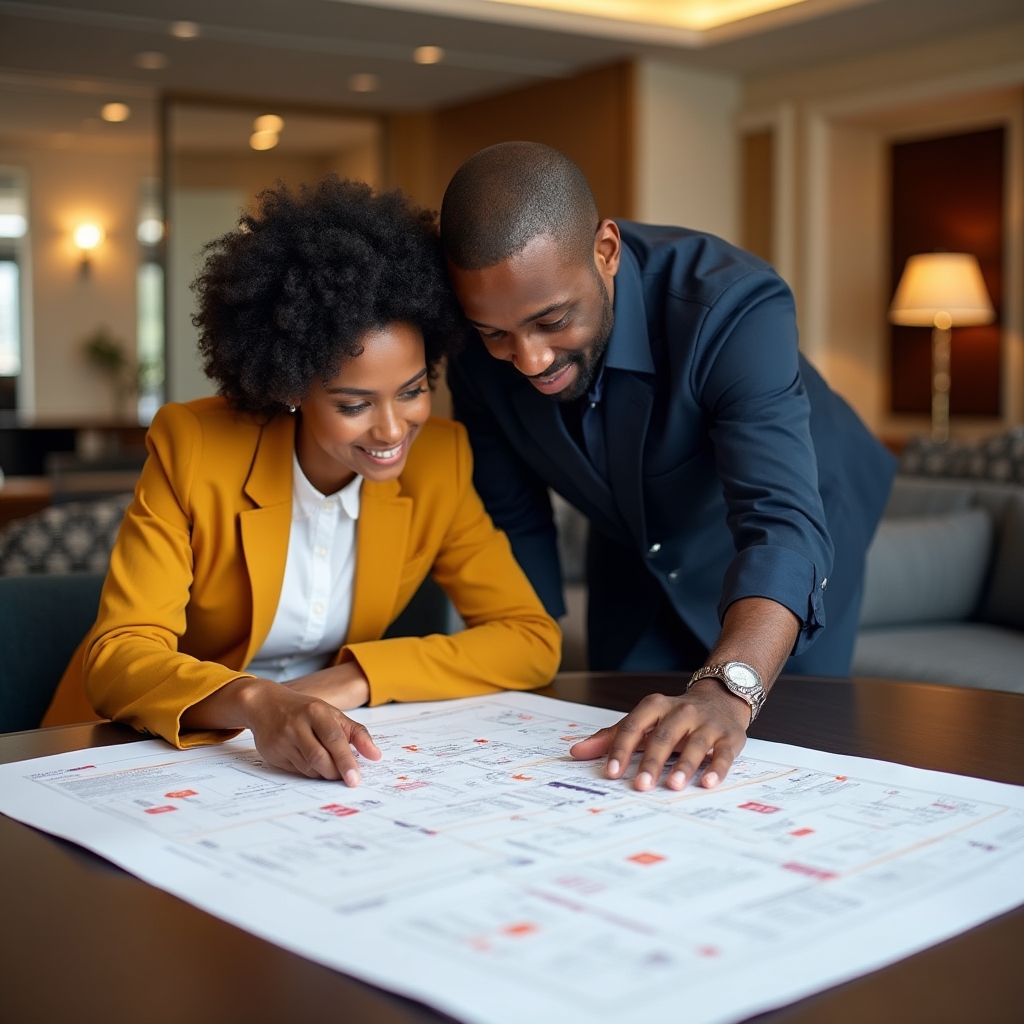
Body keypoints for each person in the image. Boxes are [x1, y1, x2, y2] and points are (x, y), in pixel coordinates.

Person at [48, 177, 561, 784]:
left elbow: (530, 638)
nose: (394, 429)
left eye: (414, 390)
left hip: (316, 748)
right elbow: (118, 656)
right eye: (354, 405)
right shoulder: (196, 448)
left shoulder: (439, 463)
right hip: (148, 748)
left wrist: (351, 680)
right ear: (291, 387)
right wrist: (259, 700)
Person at [441, 142, 895, 793]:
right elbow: (516, 521)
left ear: (606, 250)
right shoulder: (474, 350)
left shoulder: (733, 305)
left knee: (772, 752)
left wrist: (728, 689)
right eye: (496, 334)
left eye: (552, 320)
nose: (529, 359)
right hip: (629, 524)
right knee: (609, 737)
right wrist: (519, 677)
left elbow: (779, 523)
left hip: (790, 517)